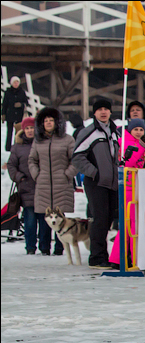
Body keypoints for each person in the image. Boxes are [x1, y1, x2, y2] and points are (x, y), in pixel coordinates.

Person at [73, 98, 120, 269]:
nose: (103, 112)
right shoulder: (89, 132)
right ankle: (96, 257)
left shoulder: (115, 132)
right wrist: (94, 172)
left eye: (106, 109)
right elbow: (77, 156)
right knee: (99, 219)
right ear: (94, 113)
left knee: (108, 219)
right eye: (99, 109)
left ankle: (104, 254)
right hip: (96, 182)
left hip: (113, 183)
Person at [28, 107, 77, 256]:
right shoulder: (38, 141)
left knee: (60, 217)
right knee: (45, 217)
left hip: (61, 183)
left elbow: (75, 159)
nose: (48, 123)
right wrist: (37, 175)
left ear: (57, 122)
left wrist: (67, 174)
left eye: (51, 120)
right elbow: (32, 160)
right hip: (43, 183)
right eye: (45, 120)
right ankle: (44, 248)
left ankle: (60, 248)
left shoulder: (68, 139)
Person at [110, 119, 145, 267]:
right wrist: (141, 148)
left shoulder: (139, 143)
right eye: (136, 130)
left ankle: (124, 257)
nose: (139, 132)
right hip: (129, 187)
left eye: (141, 130)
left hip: (137, 186)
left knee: (132, 225)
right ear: (130, 130)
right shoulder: (127, 142)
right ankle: (123, 258)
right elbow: (127, 164)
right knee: (130, 224)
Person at [7, 116, 38, 254]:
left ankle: (44, 246)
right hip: (26, 187)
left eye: (32, 128)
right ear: (23, 130)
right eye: (27, 128)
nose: (30, 131)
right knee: (30, 220)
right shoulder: (17, 147)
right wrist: (19, 178)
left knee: (44, 221)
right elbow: (11, 165)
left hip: (42, 186)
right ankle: (30, 247)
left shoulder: (42, 143)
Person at [2, 75, 28, 151]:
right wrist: (3, 114)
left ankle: (17, 146)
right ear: (11, 83)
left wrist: (21, 104)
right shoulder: (7, 92)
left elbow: (26, 102)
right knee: (9, 132)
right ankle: (8, 147)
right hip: (10, 114)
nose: (16, 84)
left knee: (18, 132)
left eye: (17, 82)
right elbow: (4, 104)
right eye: (14, 82)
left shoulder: (22, 92)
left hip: (19, 115)